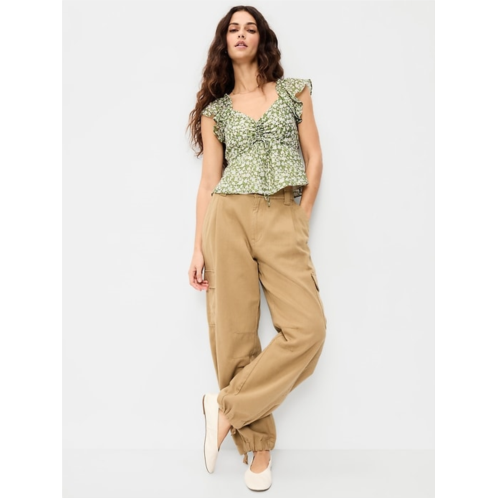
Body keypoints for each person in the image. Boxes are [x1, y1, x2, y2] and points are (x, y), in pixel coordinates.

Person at [187, 5, 327, 492]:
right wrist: (197, 248)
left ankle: (224, 408)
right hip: (227, 217)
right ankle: (258, 450)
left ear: (262, 39)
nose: (242, 34)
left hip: (282, 213)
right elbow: (209, 183)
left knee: (308, 330)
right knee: (235, 335)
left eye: (250, 28)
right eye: (234, 29)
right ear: (224, 42)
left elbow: (314, 158)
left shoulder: (294, 91)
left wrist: (301, 216)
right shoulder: (216, 111)